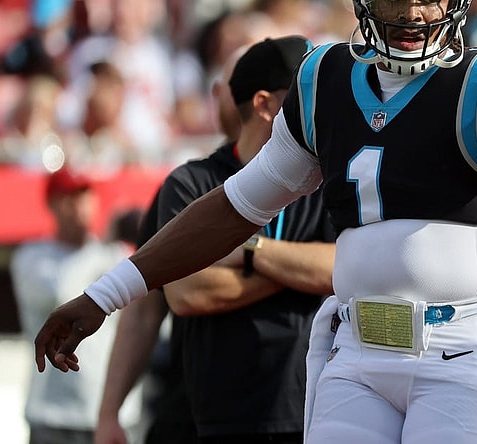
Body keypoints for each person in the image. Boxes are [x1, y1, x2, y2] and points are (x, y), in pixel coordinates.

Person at [35, 0, 477, 442]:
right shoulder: (323, 79)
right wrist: (105, 295)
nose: (416, 13)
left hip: (460, 349)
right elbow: (233, 205)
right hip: (354, 351)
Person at [94, 36, 336, 444]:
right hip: (209, 419)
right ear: (265, 105)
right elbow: (185, 291)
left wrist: (249, 251)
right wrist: (302, 270)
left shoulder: (331, 179)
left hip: (312, 412)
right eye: (307, 92)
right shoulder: (190, 184)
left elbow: (340, 268)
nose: (323, 105)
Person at [10, 167, 143, 444]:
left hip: (111, 411)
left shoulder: (114, 253)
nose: (78, 206)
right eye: (67, 197)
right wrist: (101, 244)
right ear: (51, 204)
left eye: (84, 195)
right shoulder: (31, 257)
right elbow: (63, 296)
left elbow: (141, 318)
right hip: (53, 414)